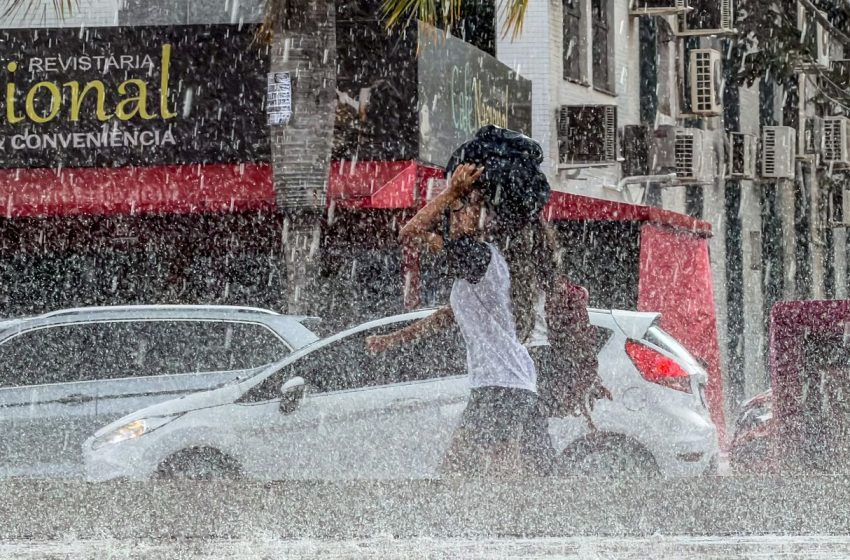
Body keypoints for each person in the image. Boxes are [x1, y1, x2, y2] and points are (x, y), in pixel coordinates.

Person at [366, 128, 557, 477]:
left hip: (501, 384)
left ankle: (488, 527)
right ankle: (515, 525)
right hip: (510, 382)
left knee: (458, 470)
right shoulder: (482, 259)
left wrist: (452, 191)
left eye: (464, 209)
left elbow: (408, 233)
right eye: (456, 209)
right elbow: (447, 316)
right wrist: (392, 340)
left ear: (482, 214)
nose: (455, 214)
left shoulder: (476, 256)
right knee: (506, 471)